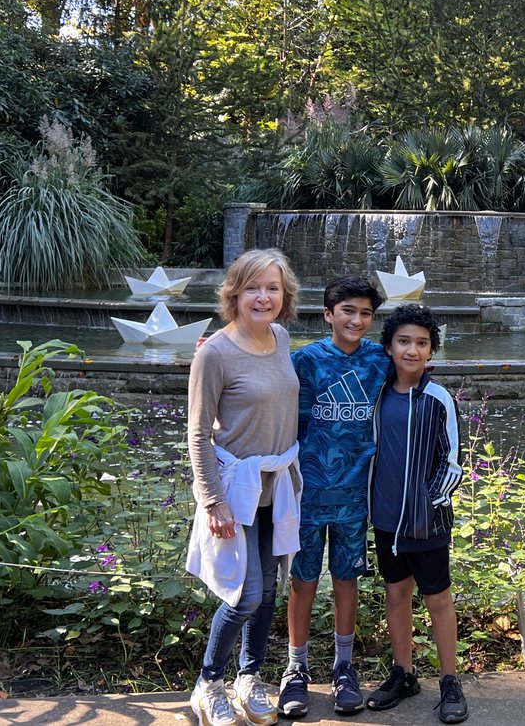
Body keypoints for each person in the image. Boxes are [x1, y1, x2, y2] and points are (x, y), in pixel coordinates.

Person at [185, 249, 303, 726]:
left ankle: (249, 677)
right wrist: (211, 499)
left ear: (284, 295)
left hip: (277, 487)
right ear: (233, 292)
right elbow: (196, 433)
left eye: (272, 288)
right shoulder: (214, 352)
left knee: (270, 592)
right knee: (245, 595)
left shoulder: (281, 337)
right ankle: (208, 683)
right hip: (235, 491)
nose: (263, 297)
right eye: (253, 287)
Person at [277, 276, 390, 719]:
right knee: (302, 582)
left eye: (365, 313)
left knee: (347, 581)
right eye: (347, 311)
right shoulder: (303, 362)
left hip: (354, 499)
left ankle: (344, 668)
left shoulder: (380, 361)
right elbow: (261, 374)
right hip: (306, 495)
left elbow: (417, 365)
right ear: (328, 314)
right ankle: (295, 669)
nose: (356, 320)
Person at [364, 303, 468, 724]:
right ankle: (403, 674)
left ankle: (449, 680)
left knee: (438, 598)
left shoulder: (437, 398)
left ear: (431, 351)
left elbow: (453, 459)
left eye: (421, 343)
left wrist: (430, 501)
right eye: (404, 341)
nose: (412, 350)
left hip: (427, 522)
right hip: (385, 519)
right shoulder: (377, 393)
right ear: (388, 347)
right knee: (396, 594)